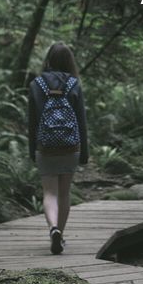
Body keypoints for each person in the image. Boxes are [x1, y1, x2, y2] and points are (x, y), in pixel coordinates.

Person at [27, 41, 88, 255]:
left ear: (49, 59)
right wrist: (85, 153)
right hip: (71, 146)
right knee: (64, 193)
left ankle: (53, 228)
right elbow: (81, 121)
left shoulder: (36, 84)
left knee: (49, 192)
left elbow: (32, 122)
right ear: (69, 61)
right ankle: (60, 234)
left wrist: (32, 150)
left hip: (45, 147)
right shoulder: (74, 84)